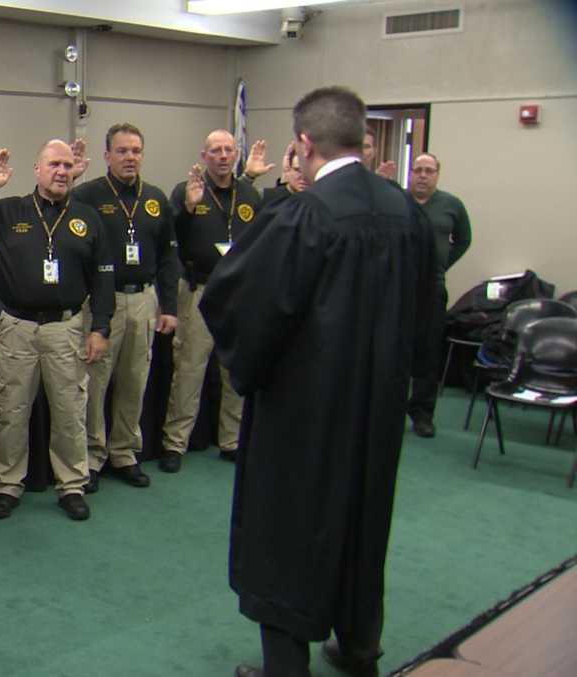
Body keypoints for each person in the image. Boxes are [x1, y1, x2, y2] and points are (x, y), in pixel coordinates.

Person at [200, 86, 434, 677]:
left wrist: (249, 369)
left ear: (303, 144)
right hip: (379, 408)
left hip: (305, 411)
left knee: (289, 527)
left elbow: (241, 298)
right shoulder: (407, 212)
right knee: (363, 515)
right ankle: (359, 648)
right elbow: (431, 312)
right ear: (367, 139)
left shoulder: (306, 213)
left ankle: (286, 668)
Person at [0, 140, 114, 521]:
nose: (61, 171)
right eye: (53, 164)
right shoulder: (8, 211)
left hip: (66, 327)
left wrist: (100, 327)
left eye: (67, 165)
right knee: (11, 410)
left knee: (69, 409)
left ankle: (72, 484)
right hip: (17, 327)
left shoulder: (87, 218)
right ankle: (7, 485)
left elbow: (102, 278)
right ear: (37, 168)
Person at [68, 123, 179, 485]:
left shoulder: (156, 198)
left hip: (144, 299)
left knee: (135, 378)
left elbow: (167, 257)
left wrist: (170, 306)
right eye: (122, 151)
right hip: (103, 299)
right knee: (95, 381)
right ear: (107, 156)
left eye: (135, 151)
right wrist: (70, 179)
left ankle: (124, 452)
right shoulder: (87, 195)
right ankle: (91, 456)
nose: (130, 157)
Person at [162, 131, 265, 465]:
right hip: (199, 291)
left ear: (236, 154)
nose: (223, 155)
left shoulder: (249, 193)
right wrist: (189, 209)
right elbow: (167, 238)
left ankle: (231, 440)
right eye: (216, 151)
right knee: (190, 368)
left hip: (241, 292)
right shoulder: (187, 190)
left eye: (228, 150)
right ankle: (175, 443)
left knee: (233, 370)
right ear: (204, 156)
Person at [406, 152, 472, 437]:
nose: (422, 175)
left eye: (428, 170)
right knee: (393, 351)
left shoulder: (451, 205)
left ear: (437, 174)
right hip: (399, 288)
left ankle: (422, 413)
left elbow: (464, 240)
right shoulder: (398, 201)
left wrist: (442, 263)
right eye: (418, 169)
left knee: (428, 354)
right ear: (411, 173)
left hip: (432, 289)